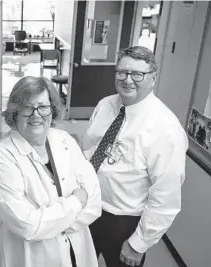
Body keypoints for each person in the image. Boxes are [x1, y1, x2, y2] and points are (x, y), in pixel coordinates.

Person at [83, 46, 188, 267]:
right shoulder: (105, 105)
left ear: (153, 78)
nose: (128, 80)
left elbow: (165, 198)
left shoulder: (166, 130)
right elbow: (88, 152)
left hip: (123, 222)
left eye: (138, 74)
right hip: (86, 209)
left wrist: (139, 243)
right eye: (122, 72)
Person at [0, 76, 101, 267]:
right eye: (27, 107)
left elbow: (94, 199)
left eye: (43, 106)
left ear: (52, 109)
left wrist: (52, 225)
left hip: (74, 250)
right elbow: (27, 225)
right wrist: (75, 203)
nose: (36, 114)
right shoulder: (2, 156)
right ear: (15, 112)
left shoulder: (64, 140)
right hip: (29, 258)